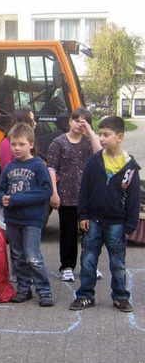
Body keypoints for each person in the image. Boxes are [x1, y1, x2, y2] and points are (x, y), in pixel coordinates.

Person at [69, 115, 141, 313]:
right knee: (88, 259)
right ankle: (85, 295)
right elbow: (84, 190)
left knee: (117, 262)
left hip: (116, 223)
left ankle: (120, 296)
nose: (101, 138)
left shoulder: (130, 167)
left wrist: (130, 225)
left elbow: (134, 198)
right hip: (93, 220)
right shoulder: (94, 161)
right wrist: (83, 215)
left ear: (119, 137)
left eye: (106, 135)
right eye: (100, 134)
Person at [0, 123, 54, 307]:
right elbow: (0, 191)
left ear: (31, 143)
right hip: (12, 219)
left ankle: (44, 291)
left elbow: (45, 191)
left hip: (32, 220)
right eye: (13, 144)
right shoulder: (9, 168)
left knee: (33, 257)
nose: (17, 148)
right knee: (18, 256)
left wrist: (17, 199)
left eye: (21, 144)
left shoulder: (38, 166)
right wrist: (2, 199)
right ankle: (23, 289)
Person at [47, 108, 101, 282]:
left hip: (87, 196)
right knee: (68, 232)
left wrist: (90, 132)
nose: (80, 124)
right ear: (70, 120)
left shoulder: (87, 142)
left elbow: (100, 154)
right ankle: (67, 266)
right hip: (66, 195)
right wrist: (54, 193)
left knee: (90, 233)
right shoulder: (58, 142)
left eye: (84, 121)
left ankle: (90, 264)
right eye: (77, 120)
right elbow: (52, 168)